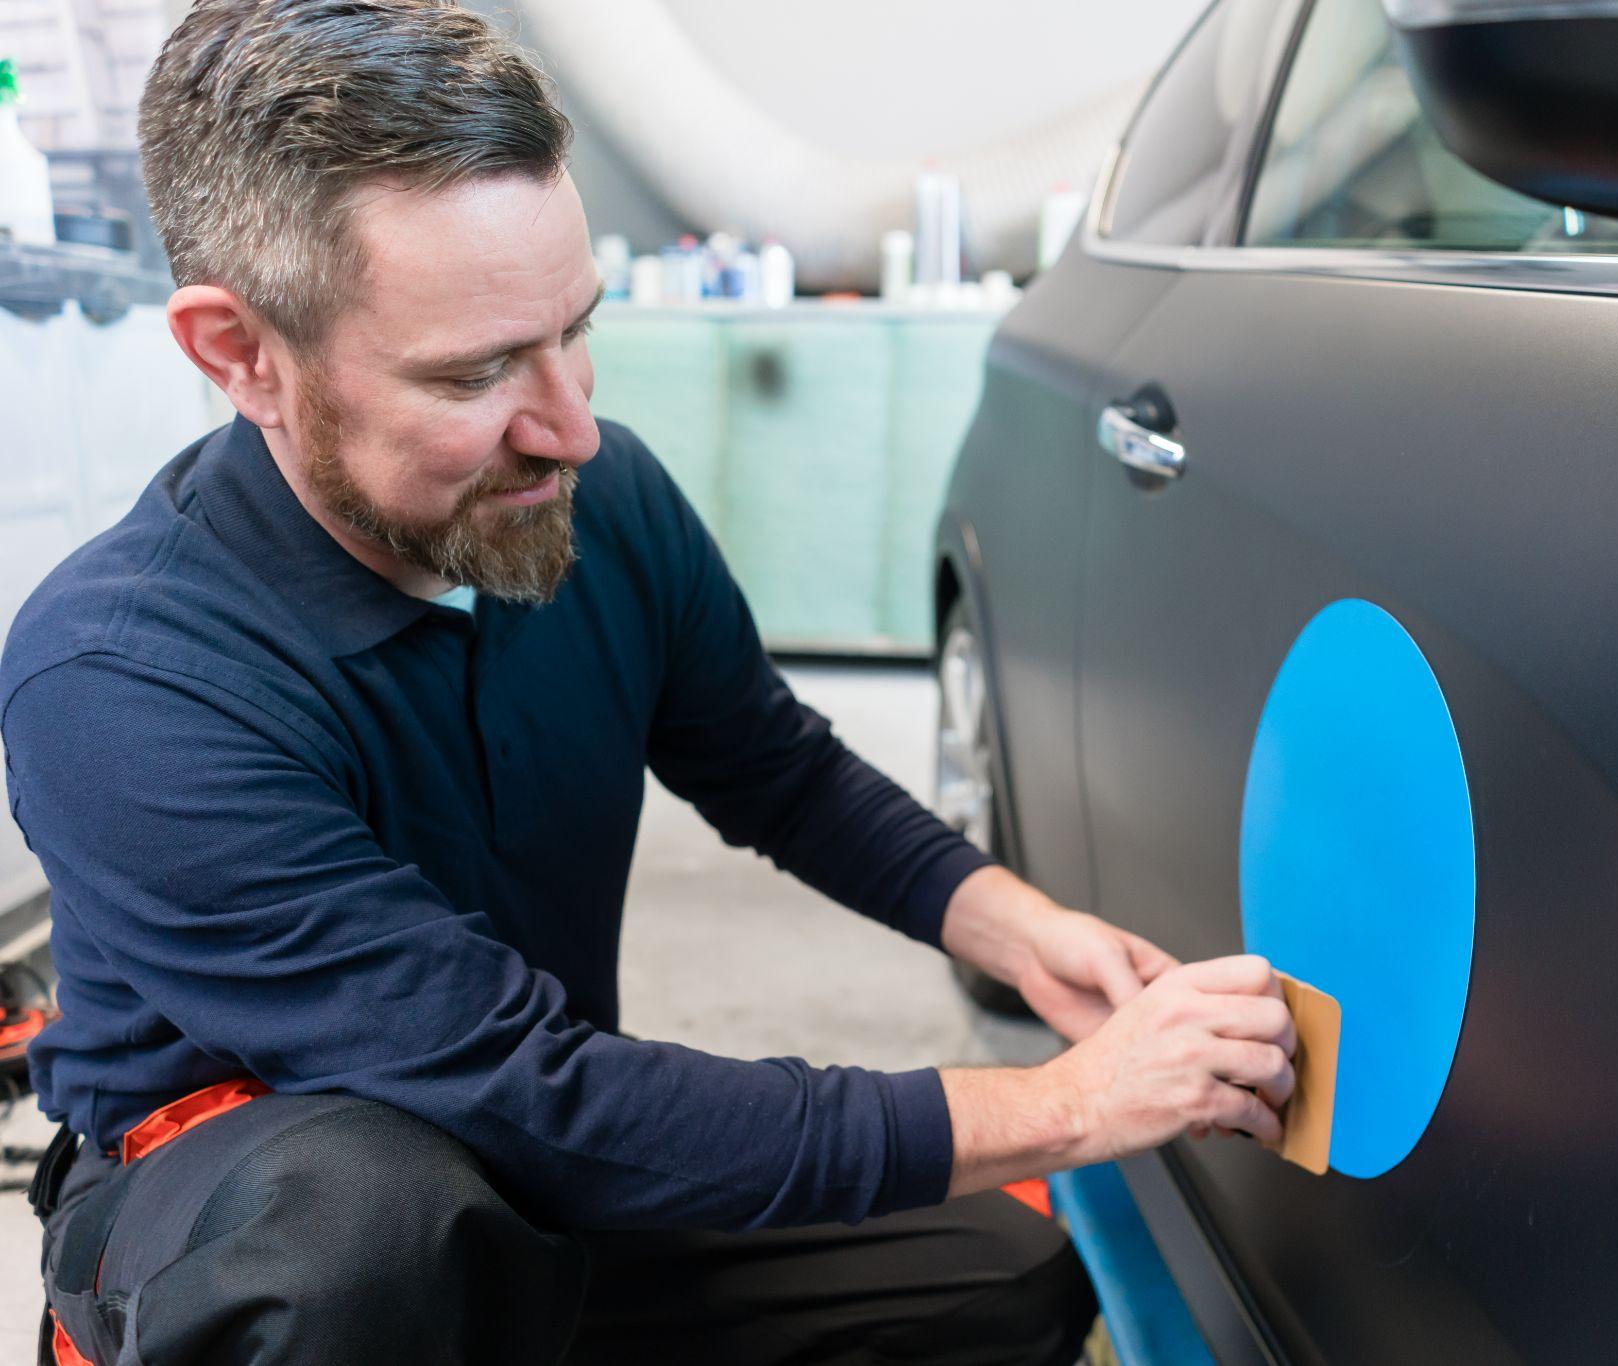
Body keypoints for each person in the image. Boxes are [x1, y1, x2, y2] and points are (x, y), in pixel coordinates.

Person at [0, 2, 1299, 1362]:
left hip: (524, 1169)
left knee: (1005, 1274)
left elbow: (777, 769)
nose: (569, 425)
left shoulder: (595, 499)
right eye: (479, 370)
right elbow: (523, 1089)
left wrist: (1027, 932)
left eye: (576, 327)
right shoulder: (124, 681)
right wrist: (1075, 1104)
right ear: (240, 356)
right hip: (266, 1225)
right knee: (368, 1240)